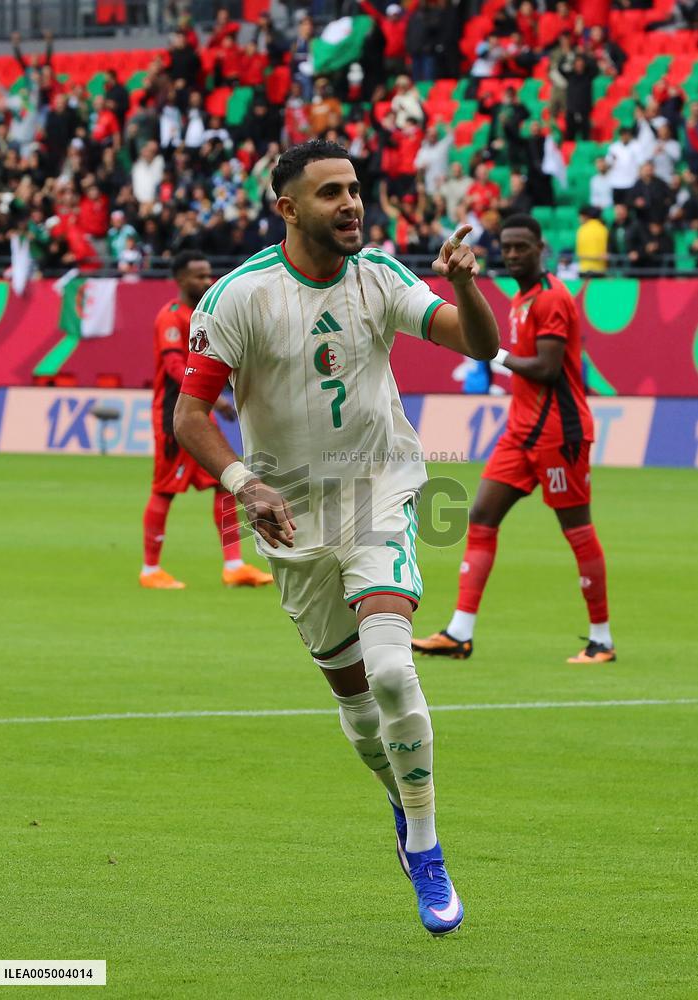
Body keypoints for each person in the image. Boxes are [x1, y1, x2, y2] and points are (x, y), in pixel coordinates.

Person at [174, 140, 499, 936]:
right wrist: (242, 484)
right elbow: (189, 416)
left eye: (354, 189)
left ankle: (425, 849)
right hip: (289, 518)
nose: (351, 204)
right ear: (287, 208)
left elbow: (479, 345)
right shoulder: (235, 298)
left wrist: (462, 283)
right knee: (357, 708)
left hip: (377, 493)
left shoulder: (379, 276)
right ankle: (401, 798)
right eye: (329, 193)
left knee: (392, 669)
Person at [413, 214, 616, 666]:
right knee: (482, 515)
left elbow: (546, 368)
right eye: (506, 247)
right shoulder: (521, 298)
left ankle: (601, 639)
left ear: (541, 248)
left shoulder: (553, 298)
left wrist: (495, 355)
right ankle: (459, 632)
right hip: (520, 431)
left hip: (558, 434)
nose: (512, 254)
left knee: (576, 529)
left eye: (522, 246)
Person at [140, 250, 273, 590]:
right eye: (199, 275)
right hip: (177, 418)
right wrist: (212, 404)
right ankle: (150, 569)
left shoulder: (204, 313)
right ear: (181, 279)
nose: (206, 280)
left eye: (208, 273)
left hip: (199, 414)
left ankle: (234, 565)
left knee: (226, 480)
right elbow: (174, 369)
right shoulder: (170, 318)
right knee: (164, 490)